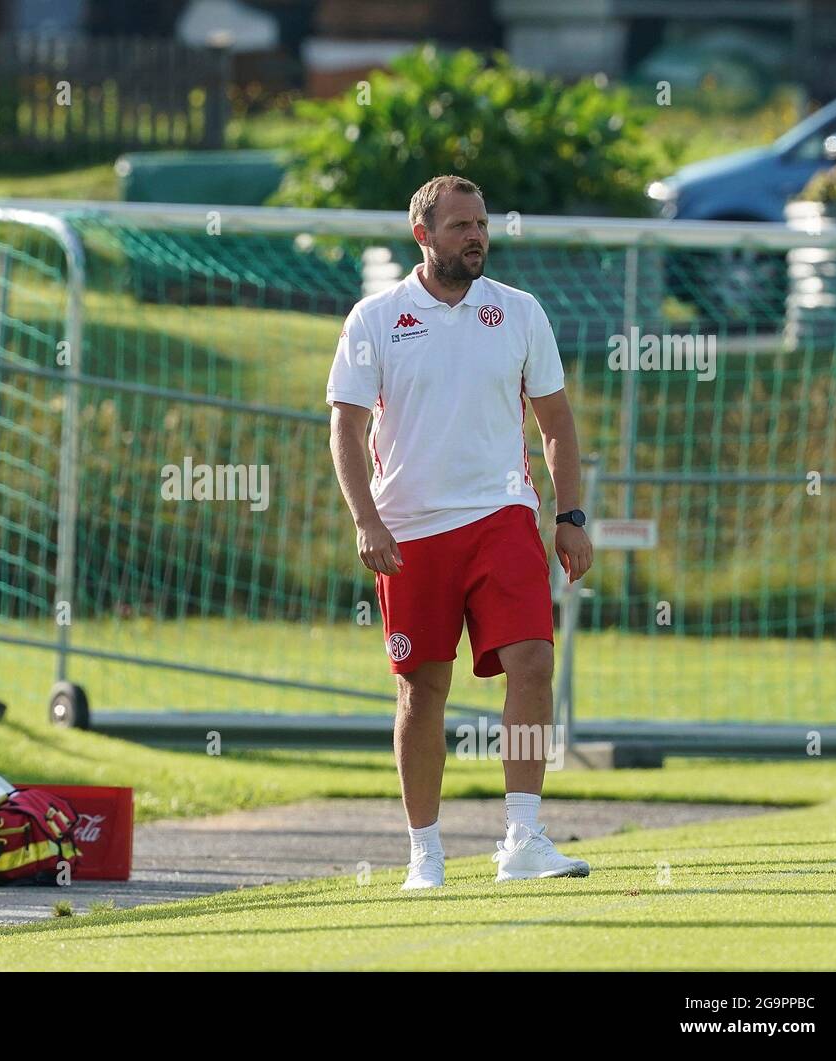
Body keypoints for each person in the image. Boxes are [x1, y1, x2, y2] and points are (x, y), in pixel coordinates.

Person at [326, 175, 595, 890]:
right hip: (411, 532)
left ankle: (525, 835)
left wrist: (569, 516)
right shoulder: (374, 319)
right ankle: (425, 851)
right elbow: (346, 429)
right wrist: (367, 519)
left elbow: (557, 424)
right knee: (422, 690)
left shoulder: (519, 311)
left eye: (481, 224)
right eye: (459, 225)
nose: (475, 236)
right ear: (422, 234)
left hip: (503, 515)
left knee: (534, 662)